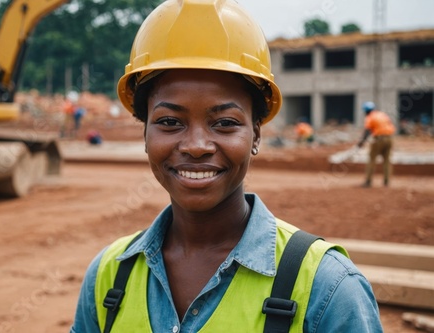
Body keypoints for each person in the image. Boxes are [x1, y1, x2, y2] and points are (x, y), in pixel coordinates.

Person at [71, 1, 383, 332]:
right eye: (169, 121)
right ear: (145, 133)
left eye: (224, 123)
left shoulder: (327, 288)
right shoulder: (108, 277)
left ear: (256, 135)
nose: (195, 146)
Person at [357, 101, 396, 187]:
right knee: (386, 160)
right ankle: (386, 181)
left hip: (379, 139)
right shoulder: (382, 114)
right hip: (389, 138)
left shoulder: (369, 117)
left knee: (372, 159)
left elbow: (367, 131)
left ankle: (368, 181)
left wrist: (361, 143)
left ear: (366, 111)